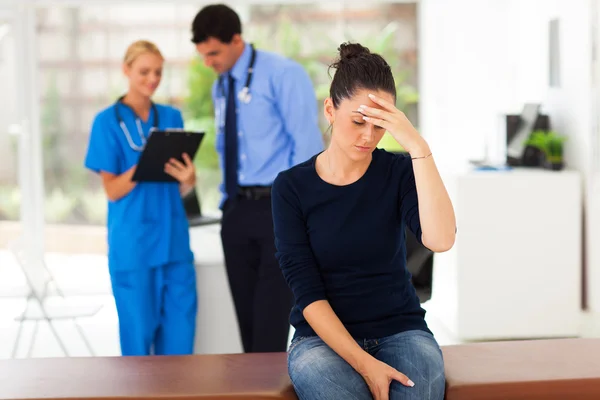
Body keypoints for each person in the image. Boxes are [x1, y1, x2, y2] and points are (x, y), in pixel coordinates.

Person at [271, 42, 457, 400]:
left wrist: (418, 147)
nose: (368, 137)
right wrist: (364, 363)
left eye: (379, 126)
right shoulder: (291, 188)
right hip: (320, 341)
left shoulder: (400, 172)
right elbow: (307, 293)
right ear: (330, 109)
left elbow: (441, 239)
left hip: (402, 330)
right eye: (358, 122)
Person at [190, 4, 324, 353]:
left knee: (270, 325)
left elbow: (306, 147)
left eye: (214, 53)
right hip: (235, 212)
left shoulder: (283, 74)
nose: (209, 62)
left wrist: (300, 213)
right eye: (203, 55)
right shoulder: (222, 86)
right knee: (247, 326)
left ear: (237, 40)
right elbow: (227, 146)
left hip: (276, 210)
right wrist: (226, 202)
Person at [84, 40, 198, 356]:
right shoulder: (107, 122)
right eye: (144, 71)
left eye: (158, 72)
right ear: (126, 70)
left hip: (174, 243)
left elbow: (181, 186)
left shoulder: (172, 118)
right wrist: (144, 164)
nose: (152, 79)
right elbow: (112, 190)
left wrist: (189, 179)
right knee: (137, 347)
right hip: (133, 247)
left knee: (180, 342)